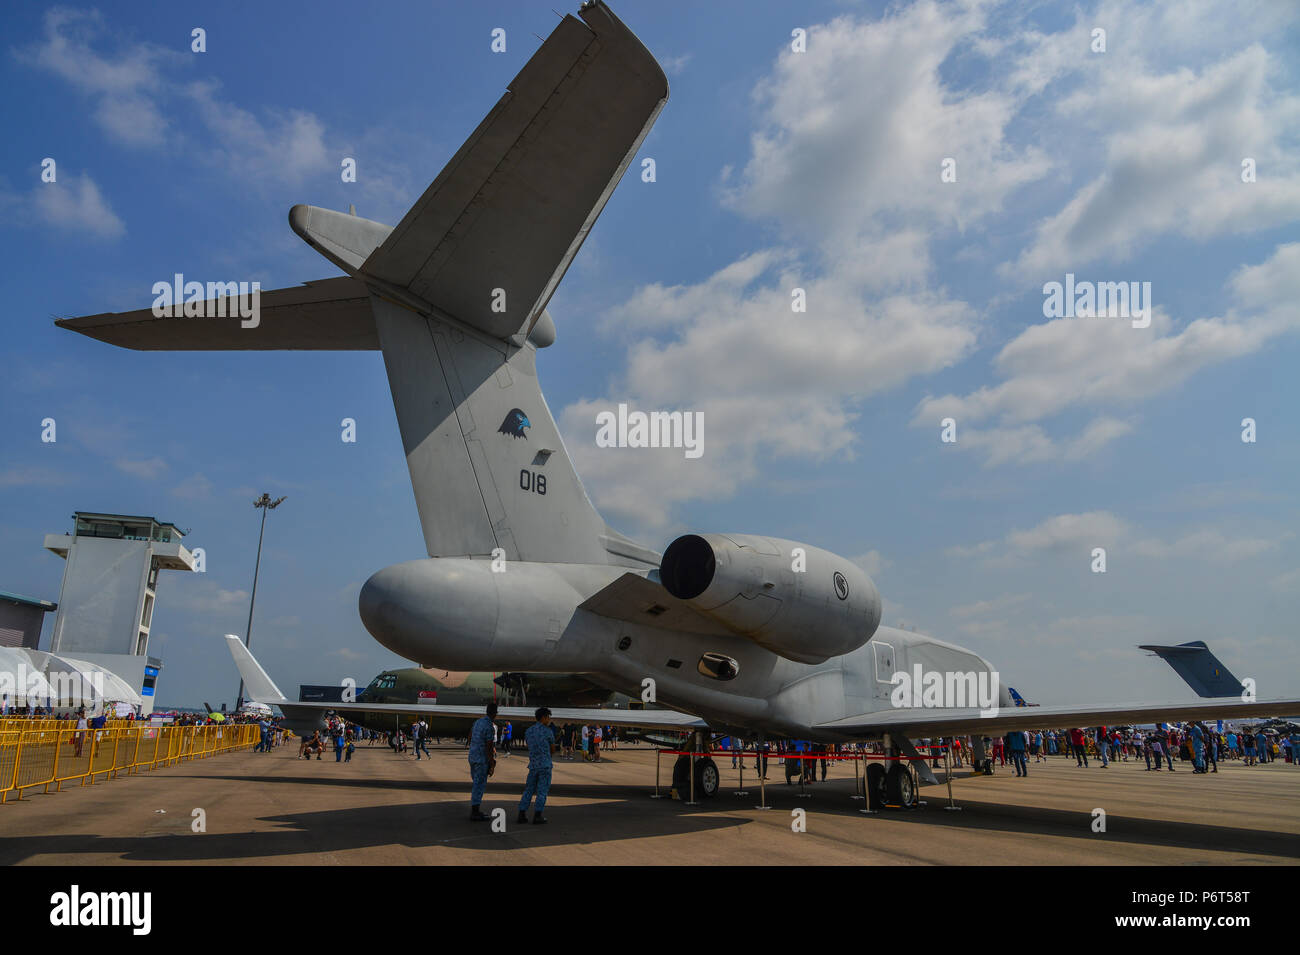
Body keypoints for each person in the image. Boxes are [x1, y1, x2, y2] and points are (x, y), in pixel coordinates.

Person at [517, 707, 556, 825]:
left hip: (533, 765)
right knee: (542, 791)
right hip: (544, 765)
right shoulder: (548, 731)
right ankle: (538, 815)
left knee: (528, 790)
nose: (549, 720)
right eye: (548, 717)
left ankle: (522, 814)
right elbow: (553, 749)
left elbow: (529, 745)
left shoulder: (529, 731)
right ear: (543, 717)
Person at [468, 703, 497, 821]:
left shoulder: (477, 722)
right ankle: (475, 812)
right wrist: (492, 762)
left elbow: (469, 736)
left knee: (476, 783)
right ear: (495, 714)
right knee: (479, 785)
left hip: (472, 757)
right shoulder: (489, 726)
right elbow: (489, 746)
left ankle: (475, 810)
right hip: (481, 760)